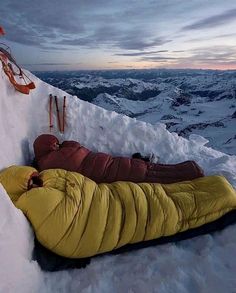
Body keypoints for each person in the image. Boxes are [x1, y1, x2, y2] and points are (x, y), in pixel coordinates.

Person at [33, 134, 204, 184]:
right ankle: (188, 171)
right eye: (54, 143)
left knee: (149, 174)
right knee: (149, 172)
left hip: (106, 168)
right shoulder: (58, 156)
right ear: (47, 146)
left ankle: (187, 171)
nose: (57, 145)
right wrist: (63, 144)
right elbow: (76, 145)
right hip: (108, 166)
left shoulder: (47, 163)